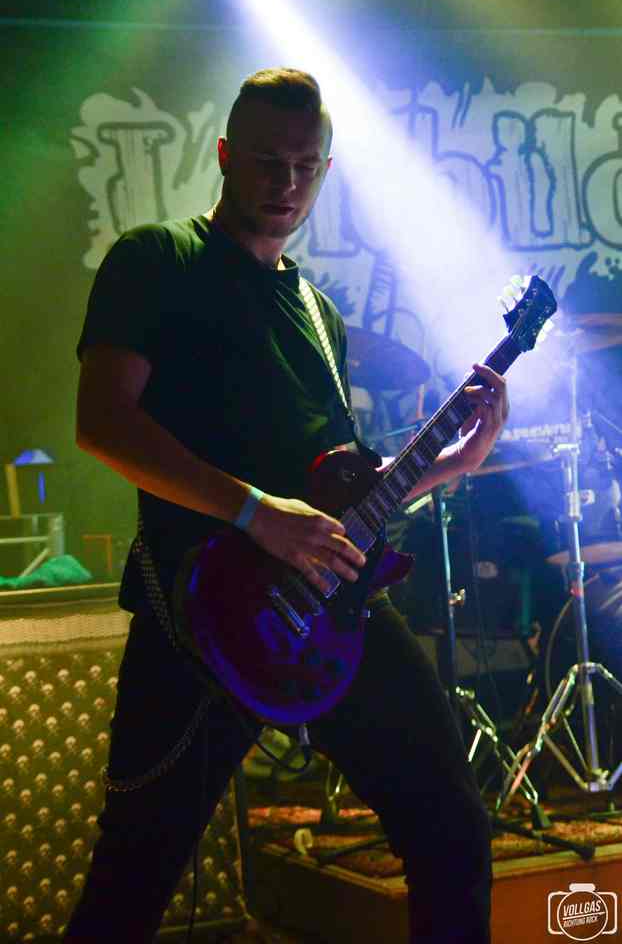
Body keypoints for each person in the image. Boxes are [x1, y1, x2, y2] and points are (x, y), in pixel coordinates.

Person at [65, 68, 509, 944]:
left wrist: (451, 466)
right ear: (225, 155)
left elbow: (344, 503)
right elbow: (102, 422)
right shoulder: (158, 261)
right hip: (199, 615)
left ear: (327, 170)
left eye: (306, 167)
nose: (287, 184)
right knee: (129, 888)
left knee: (452, 825)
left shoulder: (317, 311)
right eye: (268, 161)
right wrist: (254, 512)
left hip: (329, 613)